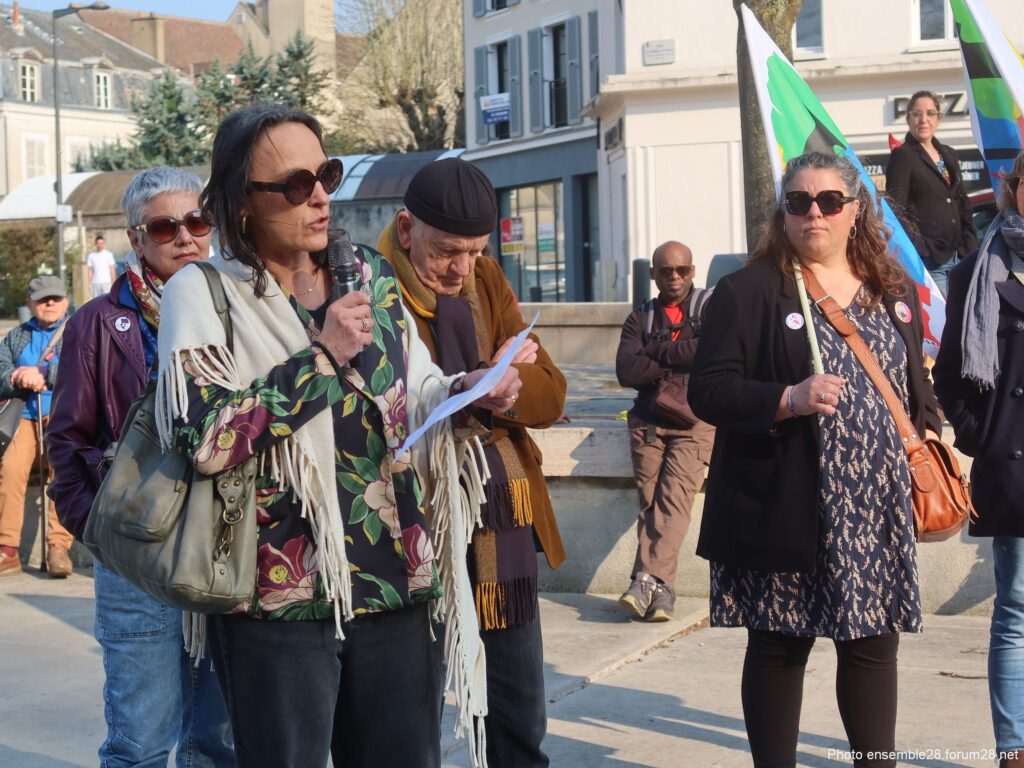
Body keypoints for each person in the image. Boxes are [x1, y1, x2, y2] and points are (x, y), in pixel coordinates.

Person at [157, 104, 520, 768]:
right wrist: (322, 359)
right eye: (297, 184)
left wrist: (468, 393)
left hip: (394, 583)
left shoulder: (371, 280)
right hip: (279, 598)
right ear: (243, 202)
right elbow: (205, 438)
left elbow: (418, 391)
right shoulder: (202, 294)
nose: (321, 195)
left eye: (326, 173)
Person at [689, 151, 942, 768]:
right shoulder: (747, 290)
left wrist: (931, 432)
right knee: (779, 648)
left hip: (874, 508)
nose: (814, 214)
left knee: (873, 648)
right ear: (783, 212)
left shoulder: (892, 289)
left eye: (830, 201)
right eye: (798, 202)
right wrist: (787, 398)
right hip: (788, 502)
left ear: (856, 211)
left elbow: (916, 383)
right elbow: (709, 389)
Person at [376, 157, 566, 768]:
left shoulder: (487, 280)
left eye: (475, 250)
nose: (461, 269)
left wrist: (500, 391)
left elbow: (553, 391)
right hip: (410, 529)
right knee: (408, 721)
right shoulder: (370, 288)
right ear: (406, 230)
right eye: (446, 251)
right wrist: (475, 388)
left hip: (500, 528)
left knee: (519, 714)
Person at [46, 167, 235, 767]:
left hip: (224, 549)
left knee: (218, 743)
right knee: (141, 742)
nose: (185, 236)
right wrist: (101, 532)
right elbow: (68, 439)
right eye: (165, 226)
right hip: (136, 557)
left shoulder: (239, 309)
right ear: (137, 238)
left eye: (197, 221)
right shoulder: (97, 324)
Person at [933, 149, 1024, 768]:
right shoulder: (974, 273)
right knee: (1015, 614)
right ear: (1011, 188)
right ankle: (1014, 748)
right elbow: (946, 379)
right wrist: (980, 438)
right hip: (1014, 467)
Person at [615, 241, 714, 622]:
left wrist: (655, 354)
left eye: (682, 270)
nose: (675, 277)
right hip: (649, 420)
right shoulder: (640, 318)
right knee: (650, 503)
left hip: (696, 419)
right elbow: (626, 372)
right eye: (666, 271)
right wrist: (680, 355)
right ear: (653, 274)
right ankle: (661, 591)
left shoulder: (709, 308)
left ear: (693, 271)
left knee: (672, 501)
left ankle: (646, 579)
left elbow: (711, 352)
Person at [0, 275, 73, 577]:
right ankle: (7, 550)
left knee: (64, 471)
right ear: (29, 304)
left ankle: (58, 546)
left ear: (66, 301)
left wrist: (45, 373)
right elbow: (0, 372)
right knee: (11, 470)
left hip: (64, 414)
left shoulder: (78, 331)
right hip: (25, 416)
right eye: (43, 299)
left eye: (55, 298)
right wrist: (17, 377)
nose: (50, 304)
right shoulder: (16, 336)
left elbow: (84, 366)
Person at [886, 90, 978, 296]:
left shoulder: (949, 154)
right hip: (931, 260)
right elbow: (895, 209)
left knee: (962, 320)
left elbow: (961, 202)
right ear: (908, 118)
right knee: (942, 324)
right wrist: (922, 248)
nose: (923, 120)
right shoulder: (903, 156)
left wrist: (970, 244)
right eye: (916, 113)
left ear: (939, 118)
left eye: (930, 113)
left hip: (960, 256)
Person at [86, 234, 118, 299]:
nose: (100, 245)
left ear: (104, 244)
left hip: (107, 282)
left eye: (102, 243)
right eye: (98, 243)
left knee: (107, 300)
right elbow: (90, 270)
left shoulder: (109, 254)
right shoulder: (91, 256)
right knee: (95, 301)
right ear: (95, 244)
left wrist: (114, 282)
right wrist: (88, 283)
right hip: (95, 283)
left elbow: (112, 269)